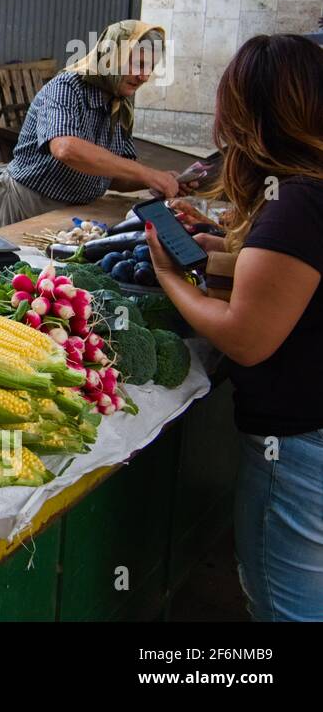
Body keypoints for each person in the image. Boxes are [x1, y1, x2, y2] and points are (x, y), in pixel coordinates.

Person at [145, 34, 323, 622]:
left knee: (284, 607)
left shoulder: (297, 203)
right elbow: (296, 274)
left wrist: (172, 275)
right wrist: (227, 248)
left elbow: (245, 337)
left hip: (300, 445)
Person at [0, 20, 194, 229]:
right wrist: (147, 174)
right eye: (137, 64)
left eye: (149, 67)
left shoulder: (120, 103)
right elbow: (66, 149)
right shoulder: (68, 87)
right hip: (24, 207)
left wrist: (158, 181)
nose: (143, 76)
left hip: (71, 213)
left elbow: (114, 176)